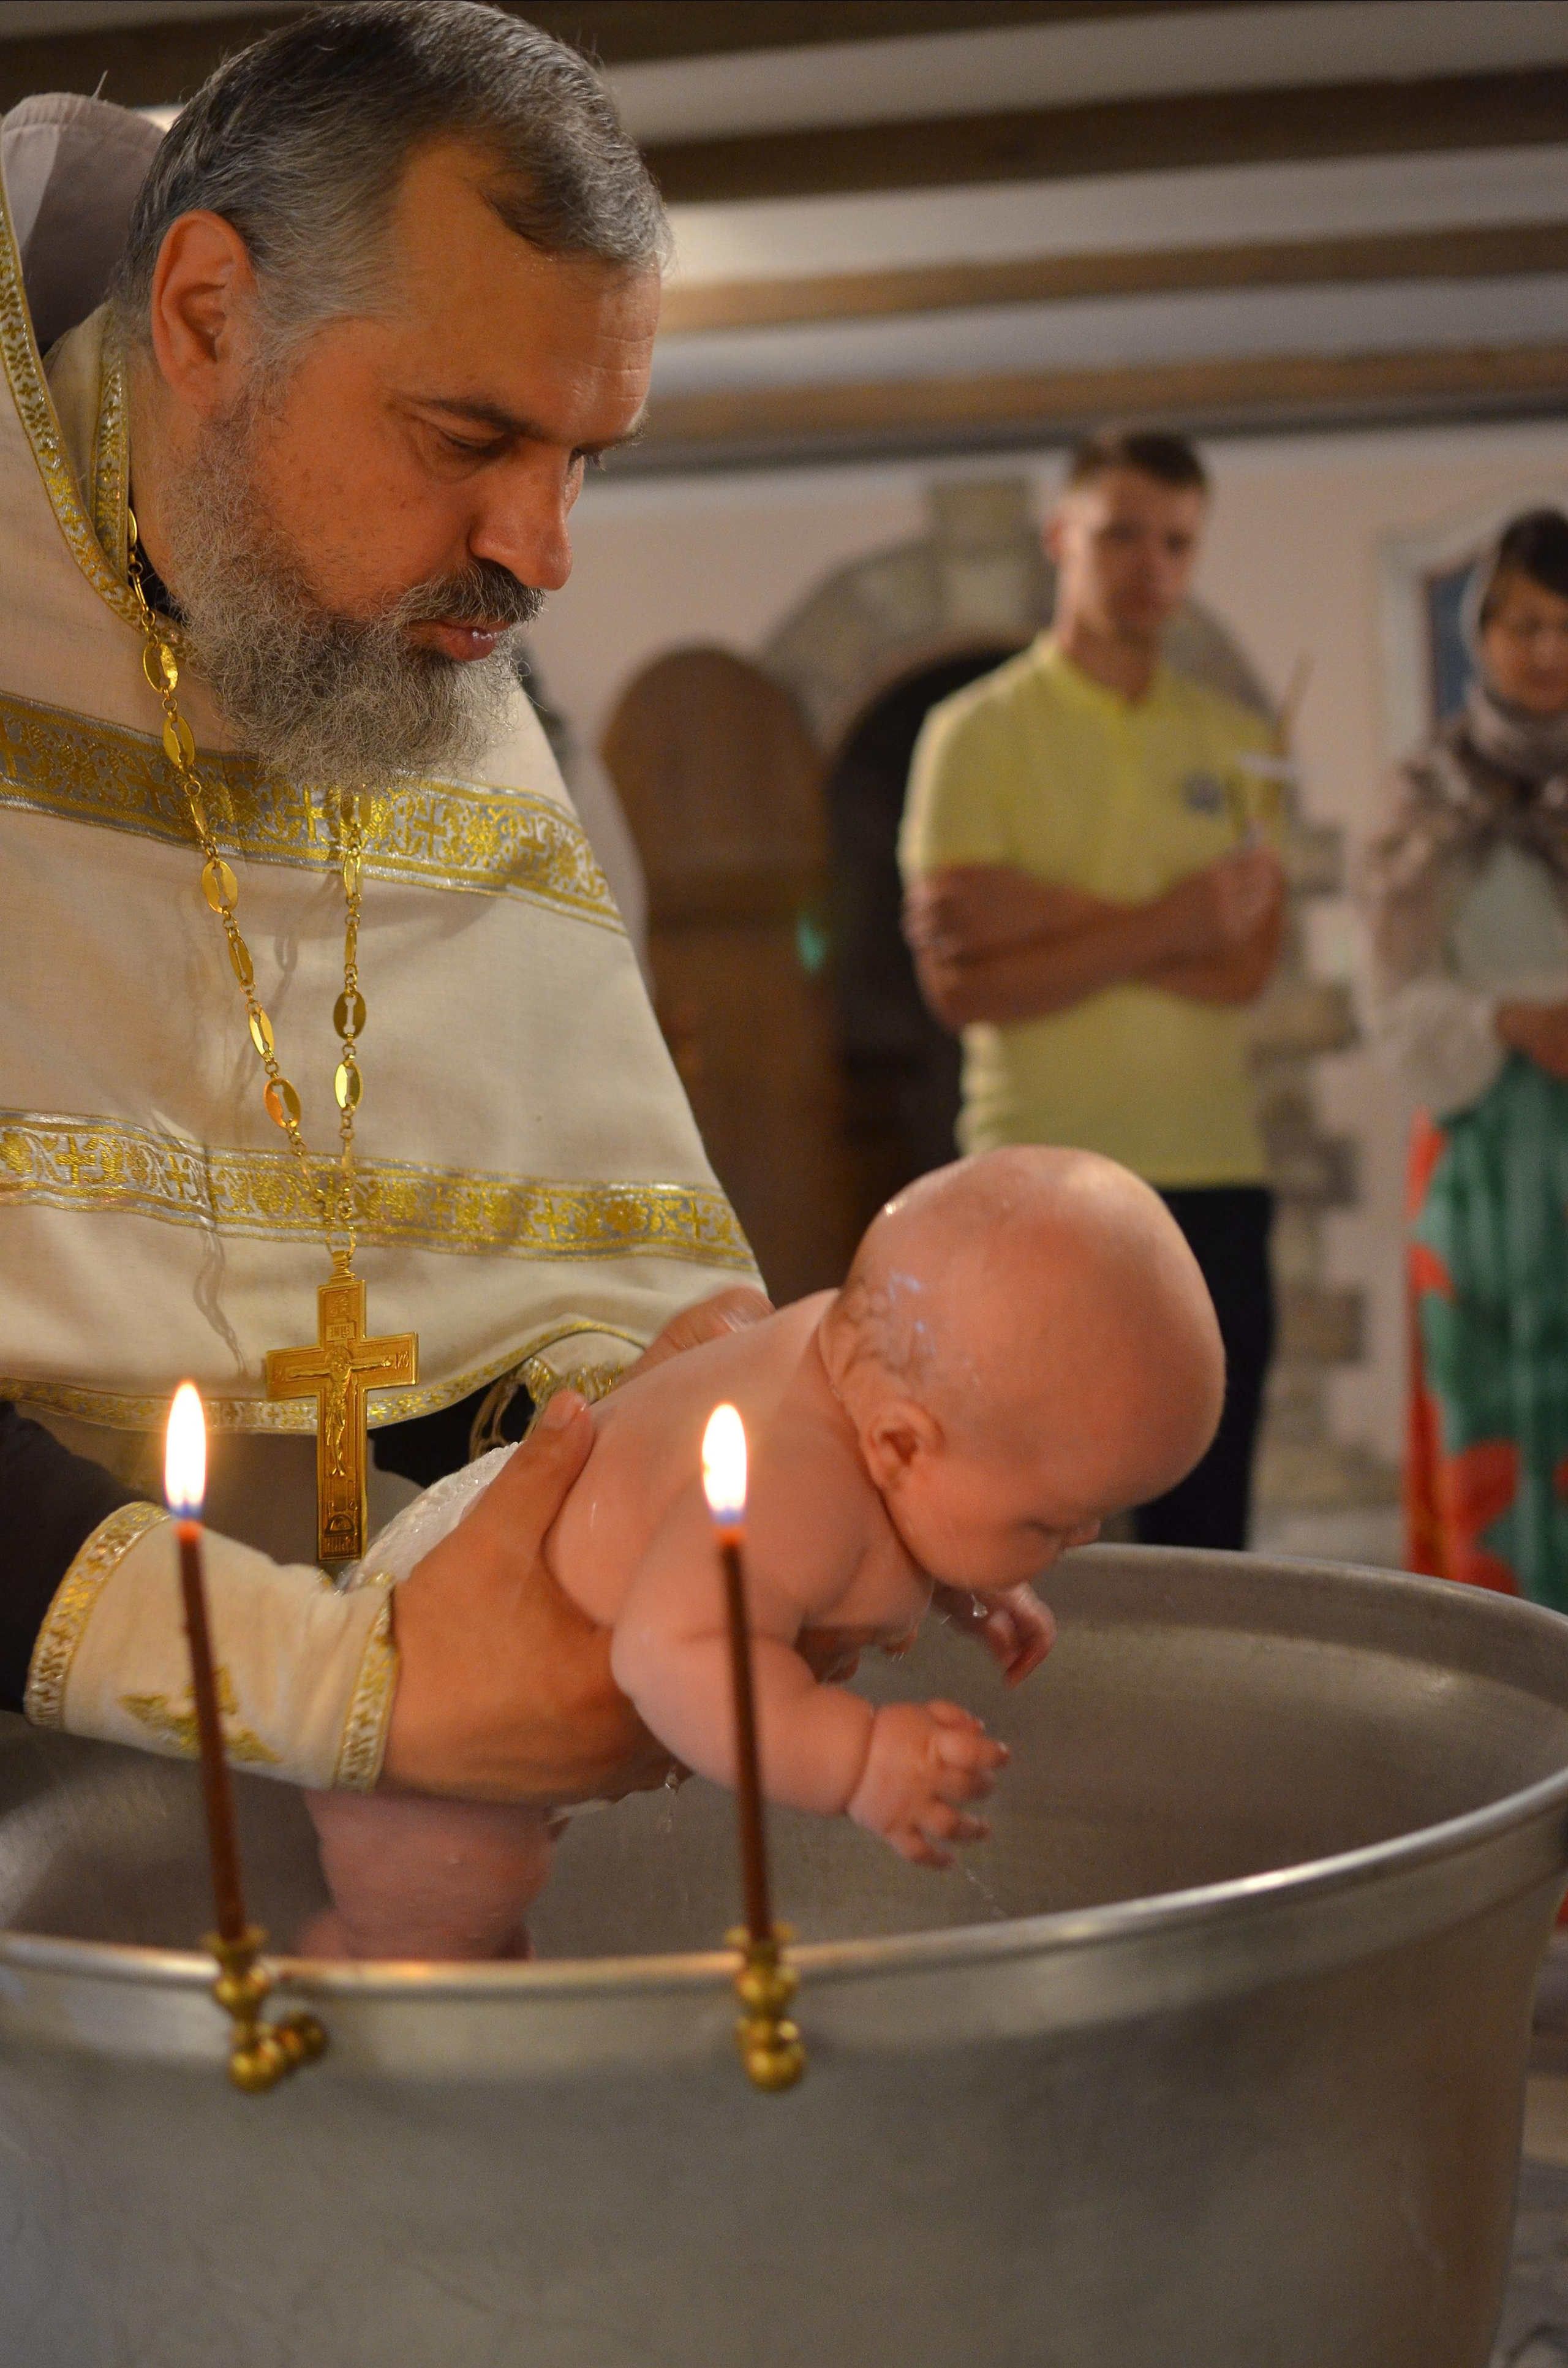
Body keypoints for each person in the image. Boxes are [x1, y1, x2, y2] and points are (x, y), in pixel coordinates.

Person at [0, 4, 773, 1809]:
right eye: (468, 435)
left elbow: (490, 1298)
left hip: (246, 1819)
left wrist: (684, 1430)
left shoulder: (406, 663)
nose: (544, 550)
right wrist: (326, 1678)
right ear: (205, 313)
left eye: (589, 457)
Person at [296, 1146, 1224, 1959]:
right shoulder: (798, 1483)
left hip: (459, 1608)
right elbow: (667, 1655)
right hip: (422, 1688)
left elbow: (933, 1502)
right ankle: (339, 2009)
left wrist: (975, 1587)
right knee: (432, 1938)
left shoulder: (868, 1371)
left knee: (487, 1944)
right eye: (1049, 1524)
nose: (1083, 1539)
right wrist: (857, 1762)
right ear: (901, 1444)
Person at [900, 428, 1286, 1552]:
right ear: (1059, 536)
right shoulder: (970, 732)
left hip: (1216, 1170)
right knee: (1033, 1516)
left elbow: (1247, 965)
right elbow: (963, 982)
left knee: (1211, 1529)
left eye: (1176, 542)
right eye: (1120, 533)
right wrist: (1178, 917)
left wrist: (1039, 914)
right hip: (1036, 1174)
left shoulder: (1238, 738)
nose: (1149, 566)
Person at [1363, 509, 1568, 1608]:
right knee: (1493, 1426)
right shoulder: (1427, 799)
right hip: (1484, 1156)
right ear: (1481, 632)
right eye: (1523, 624)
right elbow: (1392, 1003)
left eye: (1567, 626)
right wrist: (1513, 1022)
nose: (1547, 651)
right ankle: (1523, 1729)